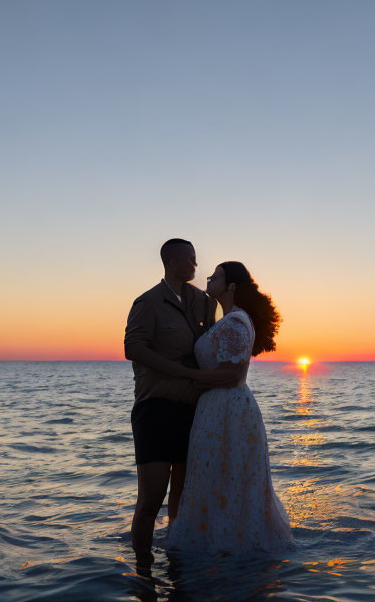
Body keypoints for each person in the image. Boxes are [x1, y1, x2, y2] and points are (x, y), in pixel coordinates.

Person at [124, 239, 243, 566]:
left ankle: (177, 569)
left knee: (182, 498)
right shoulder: (148, 303)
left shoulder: (203, 302)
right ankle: (143, 574)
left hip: (194, 411)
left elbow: (214, 342)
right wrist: (177, 371)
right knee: (150, 500)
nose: (195, 265)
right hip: (157, 409)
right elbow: (133, 347)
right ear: (172, 261)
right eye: (190, 259)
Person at [166, 261, 295, 554]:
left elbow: (231, 374)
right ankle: (215, 544)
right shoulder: (227, 320)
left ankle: (230, 549)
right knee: (216, 477)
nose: (209, 279)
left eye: (216, 276)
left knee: (228, 478)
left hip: (229, 411)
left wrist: (186, 375)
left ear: (232, 286)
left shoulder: (236, 322)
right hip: (216, 408)